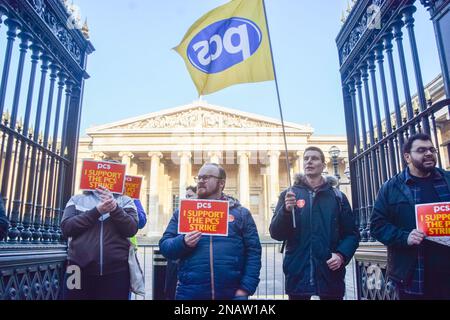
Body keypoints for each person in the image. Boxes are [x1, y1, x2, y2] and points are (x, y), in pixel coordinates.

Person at [159, 163, 262, 300]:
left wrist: (246, 288)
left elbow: (253, 252)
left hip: (232, 294)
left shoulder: (241, 214)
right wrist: (183, 242)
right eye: (199, 177)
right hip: (190, 293)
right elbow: (165, 246)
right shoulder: (183, 212)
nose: (201, 181)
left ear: (221, 183)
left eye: (206, 177)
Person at [269, 146, 359, 300]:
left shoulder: (337, 197)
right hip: (298, 273)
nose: (309, 161)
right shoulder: (288, 195)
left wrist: (341, 255)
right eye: (306, 158)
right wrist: (285, 211)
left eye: (315, 158)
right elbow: (276, 233)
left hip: (330, 273)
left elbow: (352, 234)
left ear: (324, 165)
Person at [370, 133, 450, 300]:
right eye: (421, 150)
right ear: (407, 157)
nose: (428, 153)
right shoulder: (391, 187)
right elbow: (377, 226)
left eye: (431, 149)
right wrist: (405, 237)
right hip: (413, 275)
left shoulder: (447, 180)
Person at [61, 185, 138, 300]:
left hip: (116, 271)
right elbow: (66, 228)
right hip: (76, 268)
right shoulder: (76, 199)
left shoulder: (126, 201)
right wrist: (96, 211)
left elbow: (131, 229)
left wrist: (115, 209)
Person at [164, 185, 197, 300]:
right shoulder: (179, 214)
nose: (187, 199)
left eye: (190, 196)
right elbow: (165, 243)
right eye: (186, 196)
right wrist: (182, 242)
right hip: (178, 268)